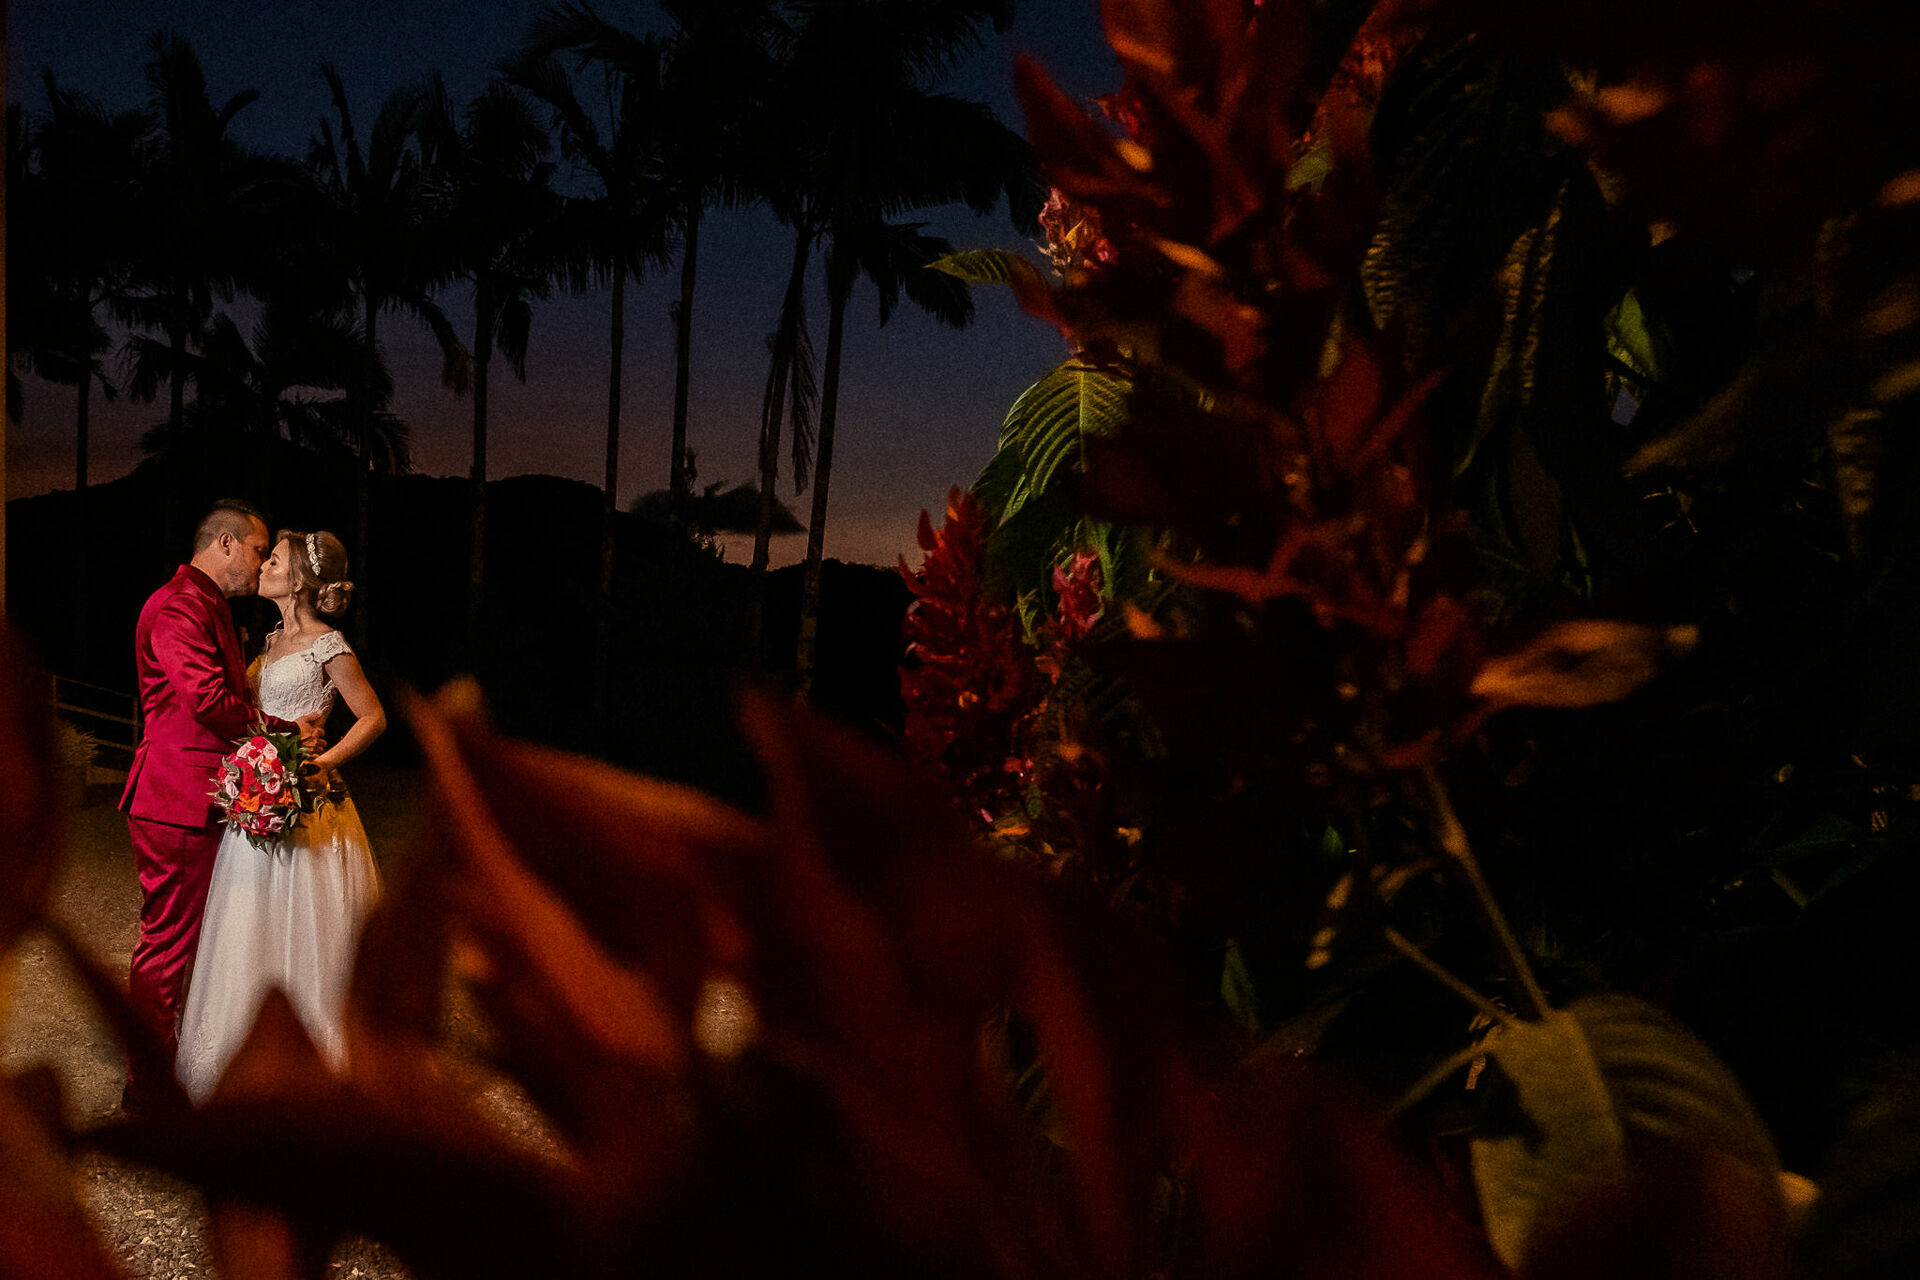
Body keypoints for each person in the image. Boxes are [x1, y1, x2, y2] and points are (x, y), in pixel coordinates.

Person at [120, 500, 327, 1114]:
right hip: (176, 799)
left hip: (205, 797)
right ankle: (149, 1085)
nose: (262, 562)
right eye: (259, 550)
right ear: (228, 544)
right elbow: (210, 700)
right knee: (168, 944)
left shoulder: (209, 605)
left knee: (203, 938)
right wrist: (286, 728)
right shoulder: (180, 605)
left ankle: (184, 1060)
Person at [176, 529, 386, 1104]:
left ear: (297, 581)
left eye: (273, 560)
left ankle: (322, 1063)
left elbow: (372, 717)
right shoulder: (268, 642)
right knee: (250, 921)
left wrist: (322, 763)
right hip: (261, 802)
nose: (262, 565)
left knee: (310, 929)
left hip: (312, 808)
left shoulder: (330, 646)